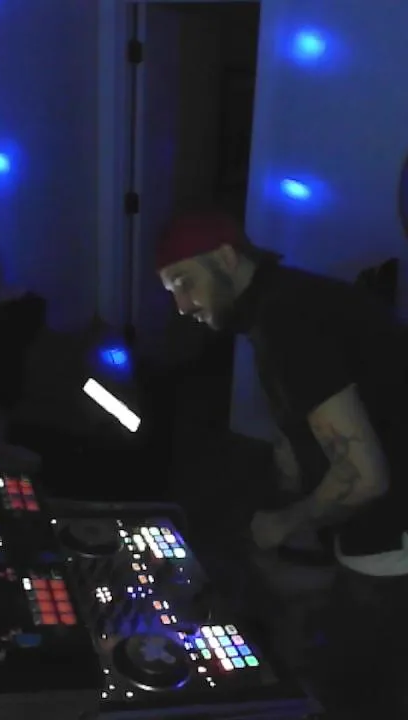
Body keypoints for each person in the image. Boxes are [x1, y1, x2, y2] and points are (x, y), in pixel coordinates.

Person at [155, 211, 408, 716]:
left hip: (391, 532)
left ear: (226, 258)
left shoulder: (287, 324)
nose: (182, 305)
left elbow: (365, 478)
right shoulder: (290, 298)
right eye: (172, 292)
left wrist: (285, 522)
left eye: (184, 282)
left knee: (360, 690)